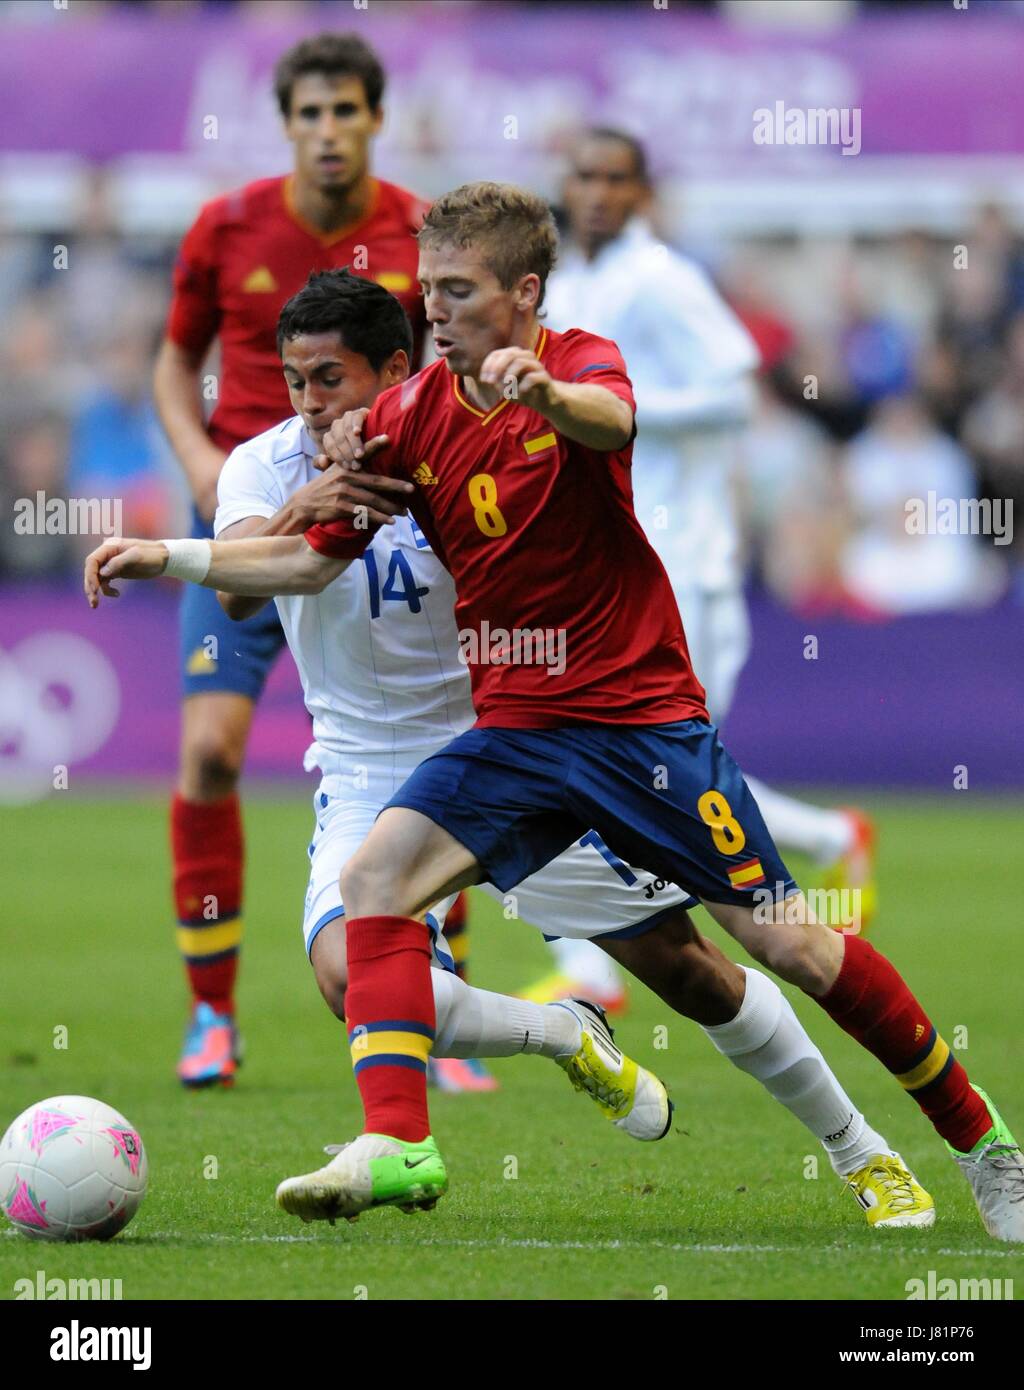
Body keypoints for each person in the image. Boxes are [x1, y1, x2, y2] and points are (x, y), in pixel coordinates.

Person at [87, 188, 1022, 1242]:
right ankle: (400, 1139)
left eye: (456, 289)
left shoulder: (580, 359)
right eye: (427, 287)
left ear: (522, 292)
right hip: (511, 735)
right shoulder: (401, 419)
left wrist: (541, 392)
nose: (435, 308)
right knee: (374, 883)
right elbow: (303, 560)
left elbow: (613, 420)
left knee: (783, 948)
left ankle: (975, 1139)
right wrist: (170, 553)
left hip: (639, 724)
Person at [150, 32, 495, 1090]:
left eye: (346, 111)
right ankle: (212, 1015)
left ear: (375, 119)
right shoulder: (227, 225)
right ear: (286, 123)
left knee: (436, 731)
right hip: (253, 512)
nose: (327, 131)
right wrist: (209, 469)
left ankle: (434, 984)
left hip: (387, 511)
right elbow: (175, 357)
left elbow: (453, 365)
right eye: (309, 114)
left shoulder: (417, 231)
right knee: (210, 753)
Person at [536, 129, 877, 1010]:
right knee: (628, 763)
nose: (599, 193)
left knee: (662, 768)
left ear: (642, 192)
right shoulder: (572, 286)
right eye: (584, 175)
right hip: (608, 559)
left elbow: (734, 389)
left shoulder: (663, 278)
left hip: (683, 558)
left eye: (616, 178)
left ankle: (597, 970)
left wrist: (621, 408)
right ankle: (592, 971)